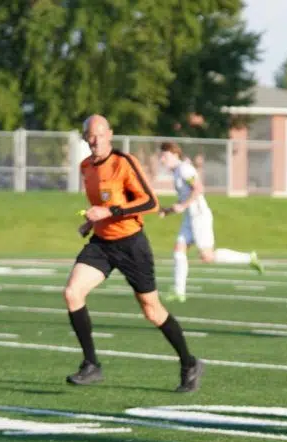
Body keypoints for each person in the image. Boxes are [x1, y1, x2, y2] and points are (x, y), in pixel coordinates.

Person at [65, 115, 203, 392]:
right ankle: (91, 364)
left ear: (109, 134)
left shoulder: (123, 162)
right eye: (90, 135)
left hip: (131, 245)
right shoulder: (86, 167)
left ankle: (189, 363)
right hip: (102, 244)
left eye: (99, 134)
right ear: (84, 138)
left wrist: (109, 212)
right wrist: (91, 222)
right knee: (72, 293)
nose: (94, 140)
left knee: (152, 311)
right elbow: (101, 204)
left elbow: (150, 202)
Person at [157, 142, 264, 303]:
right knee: (179, 250)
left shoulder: (185, 169)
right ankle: (179, 292)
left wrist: (183, 206)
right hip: (189, 217)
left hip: (199, 216)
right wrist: (168, 210)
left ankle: (249, 258)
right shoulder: (177, 172)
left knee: (207, 256)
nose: (162, 160)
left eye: (164, 156)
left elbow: (199, 188)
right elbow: (184, 198)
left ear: (174, 154)